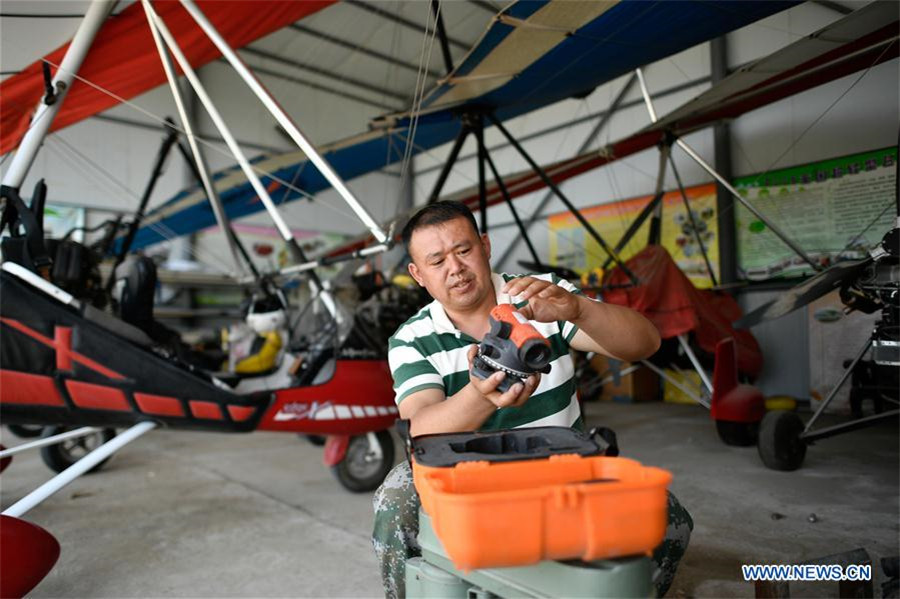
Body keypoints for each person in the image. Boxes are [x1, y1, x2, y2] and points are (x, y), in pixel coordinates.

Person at [372, 201, 692, 598]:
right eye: (436, 261)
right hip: (466, 480)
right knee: (398, 493)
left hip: (559, 468)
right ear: (418, 274)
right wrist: (481, 395)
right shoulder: (411, 339)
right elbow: (420, 430)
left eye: (464, 250)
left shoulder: (540, 295)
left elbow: (645, 344)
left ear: (485, 246)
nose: (454, 268)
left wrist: (578, 310)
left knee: (666, 514)